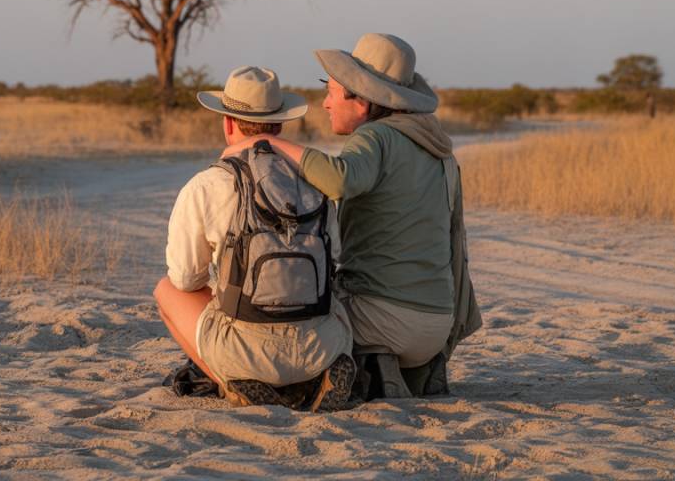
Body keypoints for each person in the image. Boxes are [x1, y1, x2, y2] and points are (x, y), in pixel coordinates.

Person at [268, 34, 481, 384]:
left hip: (384, 320)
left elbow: (340, 179)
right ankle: (411, 369)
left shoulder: (376, 137)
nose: (325, 104)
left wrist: (269, 142)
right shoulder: (436, 146)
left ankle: (371, 366)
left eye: (331, 92)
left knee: (286, 317)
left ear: (363, 102)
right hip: (438, 324)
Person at [153, 65, 356, 411]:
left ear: (228, 123)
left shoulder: (207, 184)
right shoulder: (315, 180)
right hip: (322, 345)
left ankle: (230, 381)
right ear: (279, 125)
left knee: (167, 290)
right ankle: (310, 380)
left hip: (246, 348)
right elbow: (336, 255)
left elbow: (185, 278)